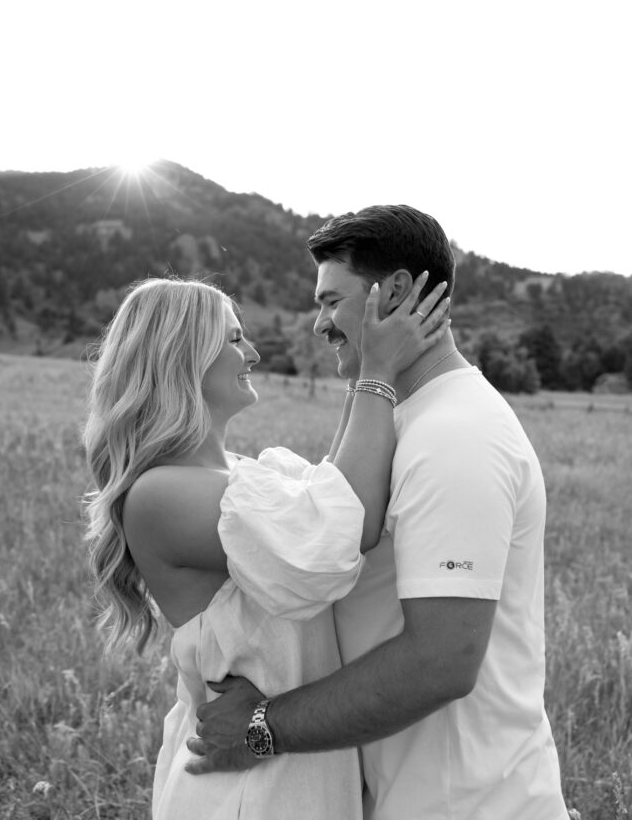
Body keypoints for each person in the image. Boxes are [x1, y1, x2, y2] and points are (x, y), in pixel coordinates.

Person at [188, 205, 571, 820]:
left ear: (393, 293)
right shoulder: (398, 419)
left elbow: (441, 660)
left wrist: (262, 726)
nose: (319, 325)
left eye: (332, 301)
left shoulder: (457, 435)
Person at [83, 271, 449, 819]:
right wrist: (376, 370)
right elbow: (341, 531)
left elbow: (332, 496)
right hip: (244, 790)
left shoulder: (235, 477)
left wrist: (358, 366)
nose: (251, 352)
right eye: (233, 339)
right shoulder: (163, 493)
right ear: (181, 357)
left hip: (284, 767)